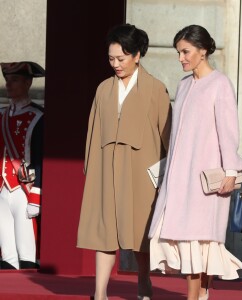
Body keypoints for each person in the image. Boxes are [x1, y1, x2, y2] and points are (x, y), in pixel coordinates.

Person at [148, 25, 242, 300]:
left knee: (198, 241)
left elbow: (228, 132)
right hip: (179, 179)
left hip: (206, 179)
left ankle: (195, 297)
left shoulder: (220, 83)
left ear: (203, 51)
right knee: (188, 240)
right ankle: (201, 296)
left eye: (185, 51)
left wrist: (230, 170)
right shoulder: (184, 84)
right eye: (179, 52)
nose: (181, 57)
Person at [77, 23, 172, 300]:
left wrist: (168, 178)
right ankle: (100, 292)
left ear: (137, 55)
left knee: (140, 232)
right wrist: (91, 170)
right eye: (111, 58)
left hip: (142, 170)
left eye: (121, 58)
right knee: (104, 231)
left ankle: (144, 281)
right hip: (106, 169)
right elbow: (93, 133)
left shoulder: (156, 89)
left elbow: (168, 136)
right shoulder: (104, 89)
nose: (115, 64)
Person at [0, 61, 45, 269]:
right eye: (7, 80)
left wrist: (36, 195)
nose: (9, 85)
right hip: (2, 187)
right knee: (7, 255)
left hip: (24, 189)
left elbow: (40, 158)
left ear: (28, 83)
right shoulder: (1, 115)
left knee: (26, 253)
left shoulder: (38, 116)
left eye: (15, 80)